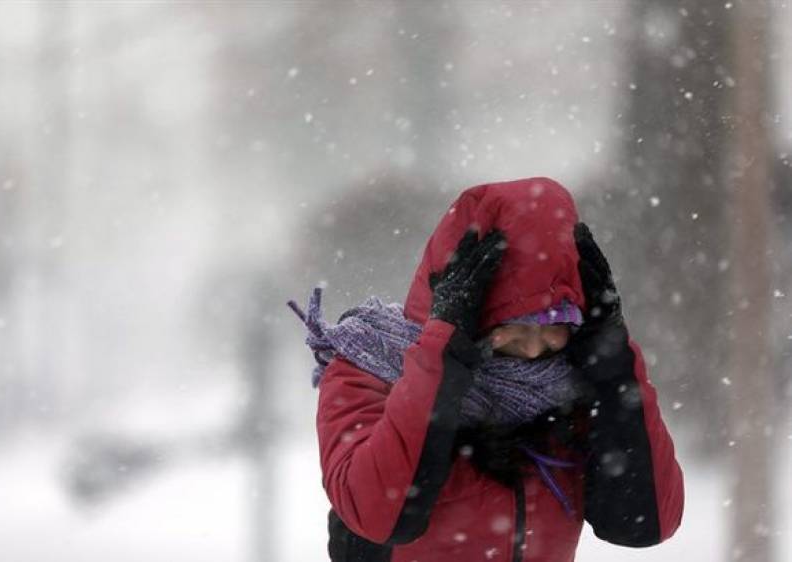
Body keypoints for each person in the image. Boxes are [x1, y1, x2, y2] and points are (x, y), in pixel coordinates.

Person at [288, 177, 684, 562]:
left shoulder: (572, 389)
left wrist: (615, 368)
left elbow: (642, 523)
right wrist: (442, 358)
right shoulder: (369, 366)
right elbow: (378, 514)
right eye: (512, 327)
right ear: (471, 313)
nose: (533, 348)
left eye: (554, 328)